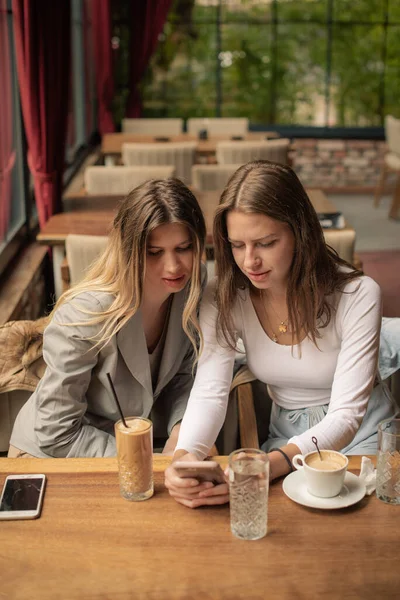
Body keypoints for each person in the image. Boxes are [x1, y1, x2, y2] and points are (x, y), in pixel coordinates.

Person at [165, 160, 397, 508]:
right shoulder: (223, 294)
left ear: (300, 232)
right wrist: (186, 455)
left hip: (362, 437)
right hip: (288, 436)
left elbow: (347, 416)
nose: (249, 261)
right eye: (237, 245)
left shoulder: (358, 294)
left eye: (266, 243)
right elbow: (210, 391)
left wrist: (273, 463)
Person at [9, 178, 206, 458]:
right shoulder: (85, 314)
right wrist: (142, 458)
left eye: (183, 248)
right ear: (128, 252)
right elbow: (56, 432)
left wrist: (182, 429)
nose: (174, 266)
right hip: (54, 454)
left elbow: (183, 374)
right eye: (154, 253)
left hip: (134, 446)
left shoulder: (192, 285)